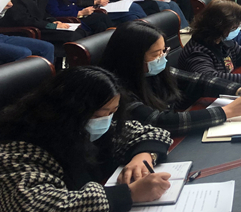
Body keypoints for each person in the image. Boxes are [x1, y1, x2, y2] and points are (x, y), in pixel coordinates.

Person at [0, 66, 174, 210]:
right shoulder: (19, 150)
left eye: (112, 112)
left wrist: (144, 156)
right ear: (71, 111)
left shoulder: (85, 128)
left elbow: (151, 132)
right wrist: (129, 194)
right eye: (99, 115)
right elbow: (31, 204)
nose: (106, 121)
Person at [99, 21, 241, 136]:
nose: (162, 58)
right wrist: (227, 111)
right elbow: (159, 122)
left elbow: (198, 80)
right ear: (132, 57)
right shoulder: (113, 89)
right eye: (155, 54)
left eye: (164, 51)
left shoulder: (152, 71)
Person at [178, 0, 241, 85]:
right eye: (235, 26)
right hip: (203, 99)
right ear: (221, 26)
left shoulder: (222, 40)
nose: (238, 28)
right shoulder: (197, 51)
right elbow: (210, 79)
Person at [1, 0, 88, 45]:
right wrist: (51, 25)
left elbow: (44, 12)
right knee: (71, 35)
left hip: (40, 25)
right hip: (27, 29)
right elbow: (23, 20)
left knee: (79, 31)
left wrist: (53, 20)